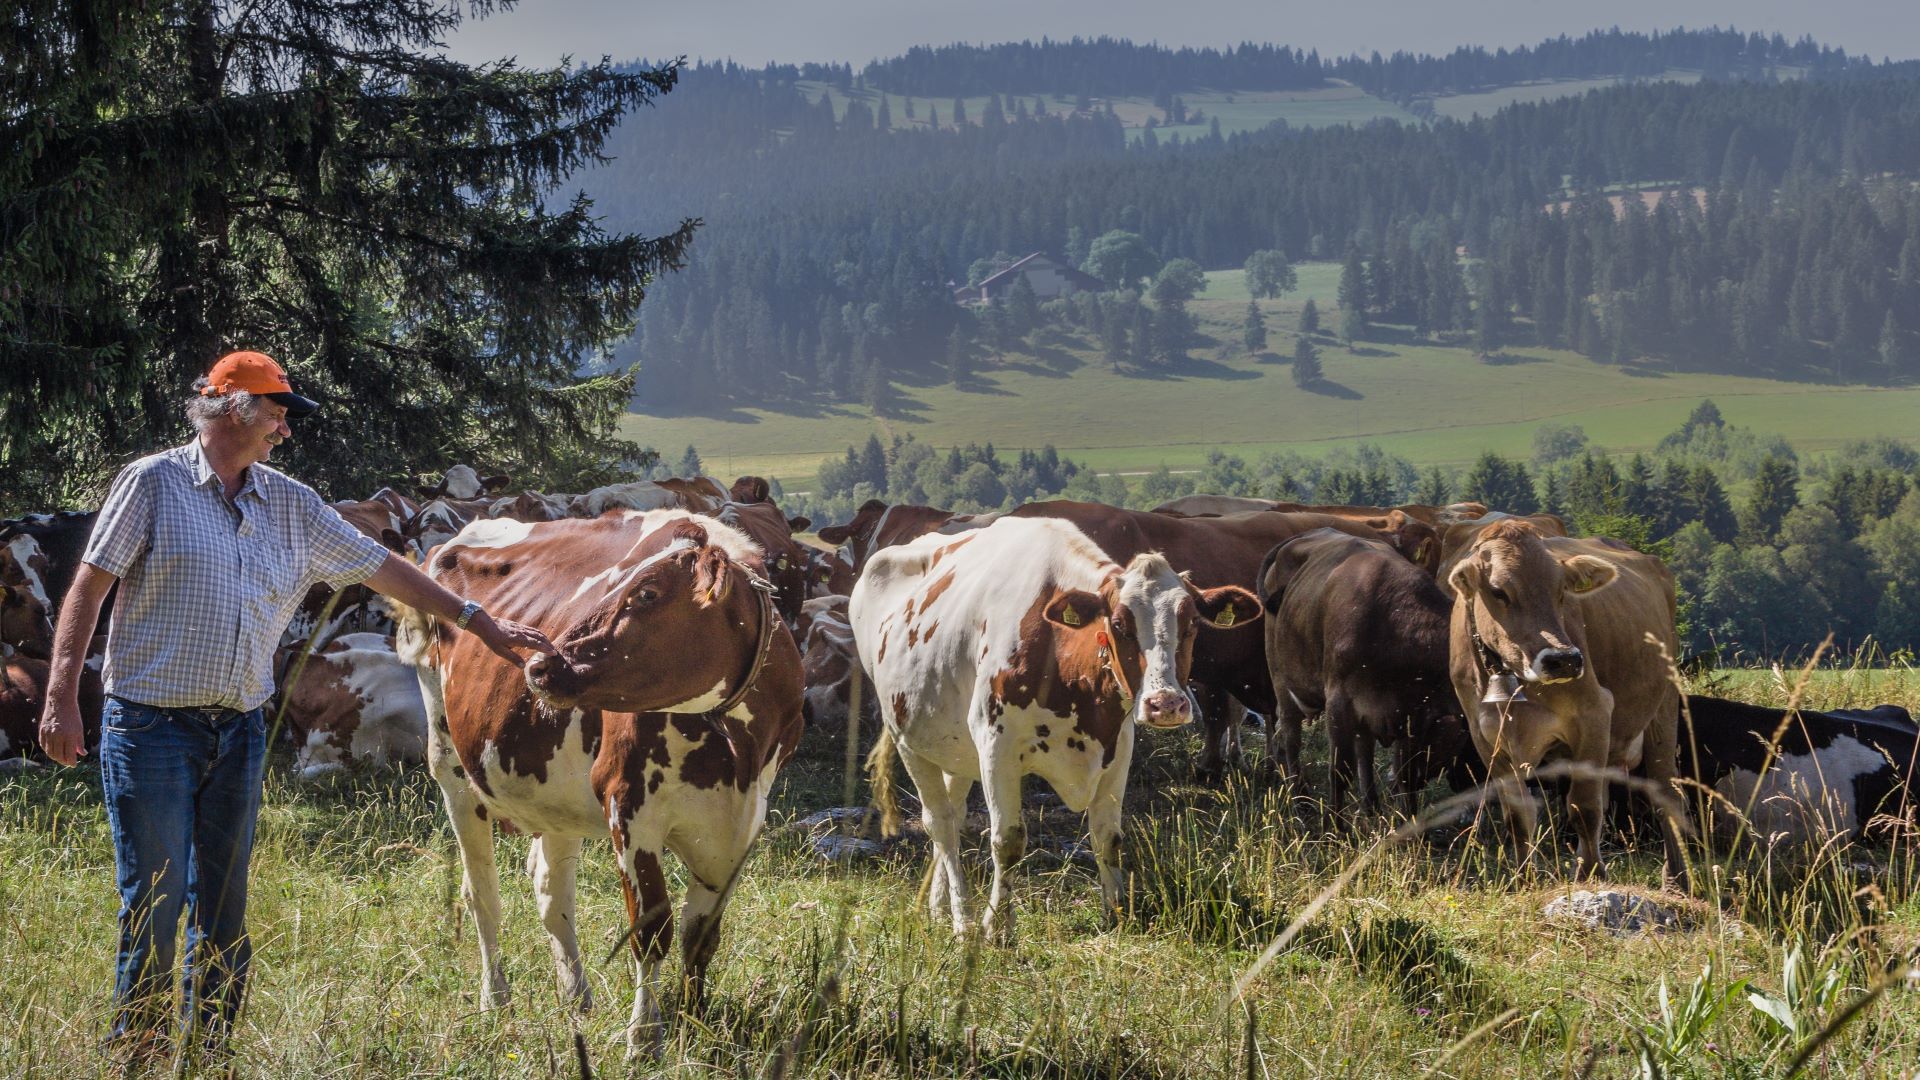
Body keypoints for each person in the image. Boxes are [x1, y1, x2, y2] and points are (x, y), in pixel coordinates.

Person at [36, 350, 554, 1064]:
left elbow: (384, 567)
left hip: (241, 731)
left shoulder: (291, 503)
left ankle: (211, 1050)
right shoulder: (151, 483)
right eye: (278, 409)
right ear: (232, 407)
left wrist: (475, 618)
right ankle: (142, 1051)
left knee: (224, 907)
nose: (285, 426)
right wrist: (62, 696)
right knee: (154, 899)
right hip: (151, 725)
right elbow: (89, 589)